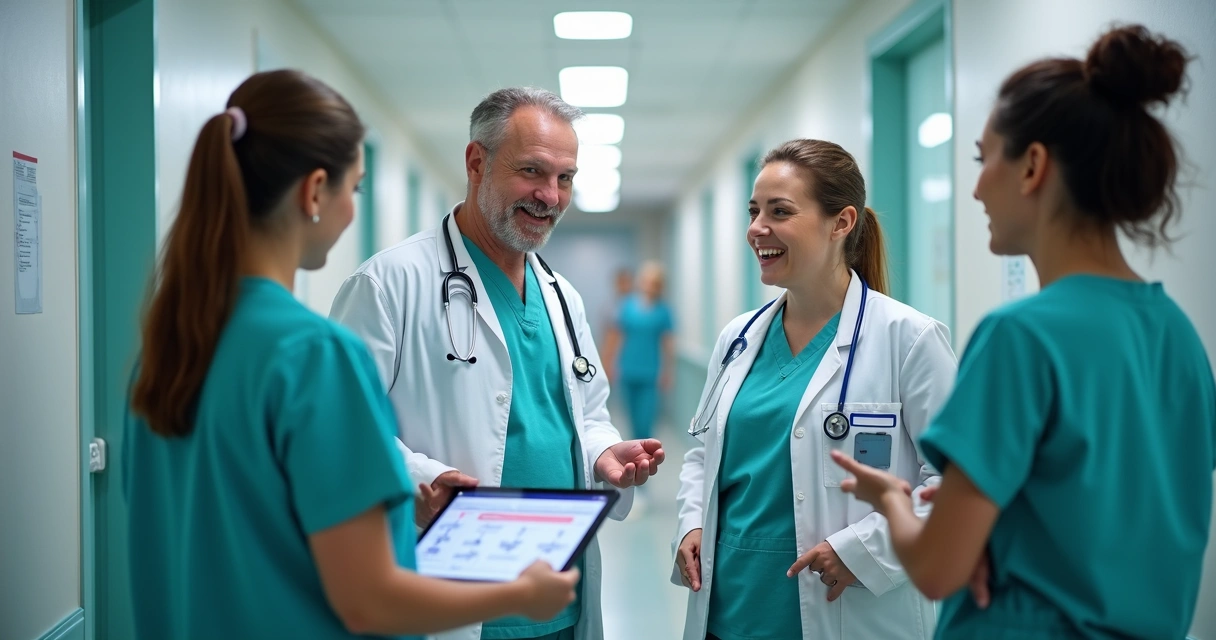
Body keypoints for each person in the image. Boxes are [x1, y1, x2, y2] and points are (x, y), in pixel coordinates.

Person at [123, 71, 578, 640]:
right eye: (355, 189)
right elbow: (368, 600)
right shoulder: (314, 356)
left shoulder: (167, 351)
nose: (351, 211)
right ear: (315, 191)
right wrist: (520, 594)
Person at [832, 25, 1216, 640]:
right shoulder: (1177, 335)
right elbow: (1114, 513)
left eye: (985, 160)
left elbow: (935, 569)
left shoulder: (1022, 336)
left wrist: (892, 501)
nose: (978, 186)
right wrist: (993, 526)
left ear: (1033, 165)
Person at [329, 86, 664, 640]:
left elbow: (587, 413)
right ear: (476, 162)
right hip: (454, 603)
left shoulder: (562, 295)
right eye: (532, 171)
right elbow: (341, 429)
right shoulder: (389, 284)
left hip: (561, 598)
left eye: (565, 178)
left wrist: (606, 452)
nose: (550, 196)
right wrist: (422, 478)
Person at [672, 139, 959, 640]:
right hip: (730, 609)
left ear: (842, 223)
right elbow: (704, 453)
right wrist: (692, 523)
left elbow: (956, 486)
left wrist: (864, 551)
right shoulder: (738, 339)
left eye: (780, 211)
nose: (757, 228)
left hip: (846, 609)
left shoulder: (909, 340)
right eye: (754, 210)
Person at [602, 261, 676, 441]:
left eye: (654, 282)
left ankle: (646, 453)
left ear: (659, 285)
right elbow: (617, 336)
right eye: (646, 280)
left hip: (650, 373)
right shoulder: (627, 306)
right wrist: (609, 363)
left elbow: (667, 344)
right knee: (632, 419)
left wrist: (668, 371)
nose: (649, 285)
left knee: (646, 420)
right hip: (627, 370)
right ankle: (636, 453)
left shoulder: (663, 311)